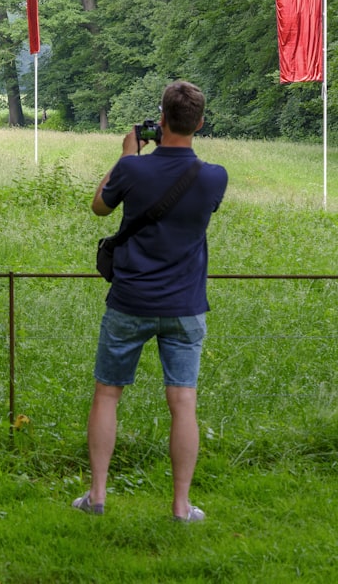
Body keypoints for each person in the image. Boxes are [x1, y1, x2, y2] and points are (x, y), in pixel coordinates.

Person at [73, 80, 228, 522]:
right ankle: (180, 506)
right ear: (199, 123)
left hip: (129, 301)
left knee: (107, 394)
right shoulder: (214, 176)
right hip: (185, 305)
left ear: (159, 121)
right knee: (183, 403)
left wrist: (127, 155)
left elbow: (99, 207)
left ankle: (97, 496)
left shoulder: (134, 168)